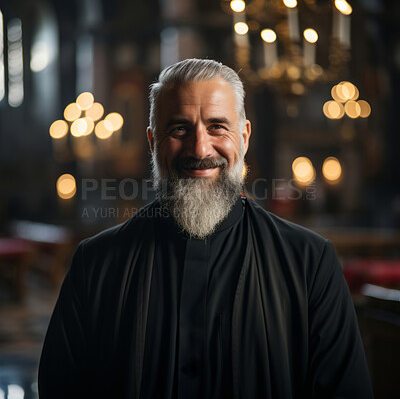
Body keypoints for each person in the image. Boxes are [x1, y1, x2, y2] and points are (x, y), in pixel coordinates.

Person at [38, 58, 373, 399]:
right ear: (153, 141)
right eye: (179, 128)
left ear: (243, 137)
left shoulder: (310, 263)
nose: (199, 148)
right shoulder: (95, 263)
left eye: (217, 127)